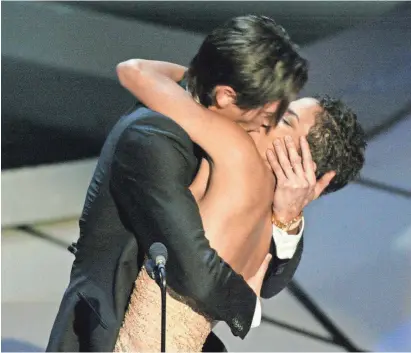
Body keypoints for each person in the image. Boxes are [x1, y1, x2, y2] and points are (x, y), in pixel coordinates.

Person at [47, 15, 314, 352]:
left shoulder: (223, 133)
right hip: (112, 330)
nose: (267, 127)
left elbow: (270, 280)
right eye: (265, 115)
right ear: (227, 97)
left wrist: (288, 216)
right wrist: (248, 308)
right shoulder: (153, 138)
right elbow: (192, 267)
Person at [113, 59, 366, 351]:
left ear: (303, 167)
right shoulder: (267, 231)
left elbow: (135, 72)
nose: (269, 109)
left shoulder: (234, 150)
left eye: (285, 119)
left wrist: (202, 78)